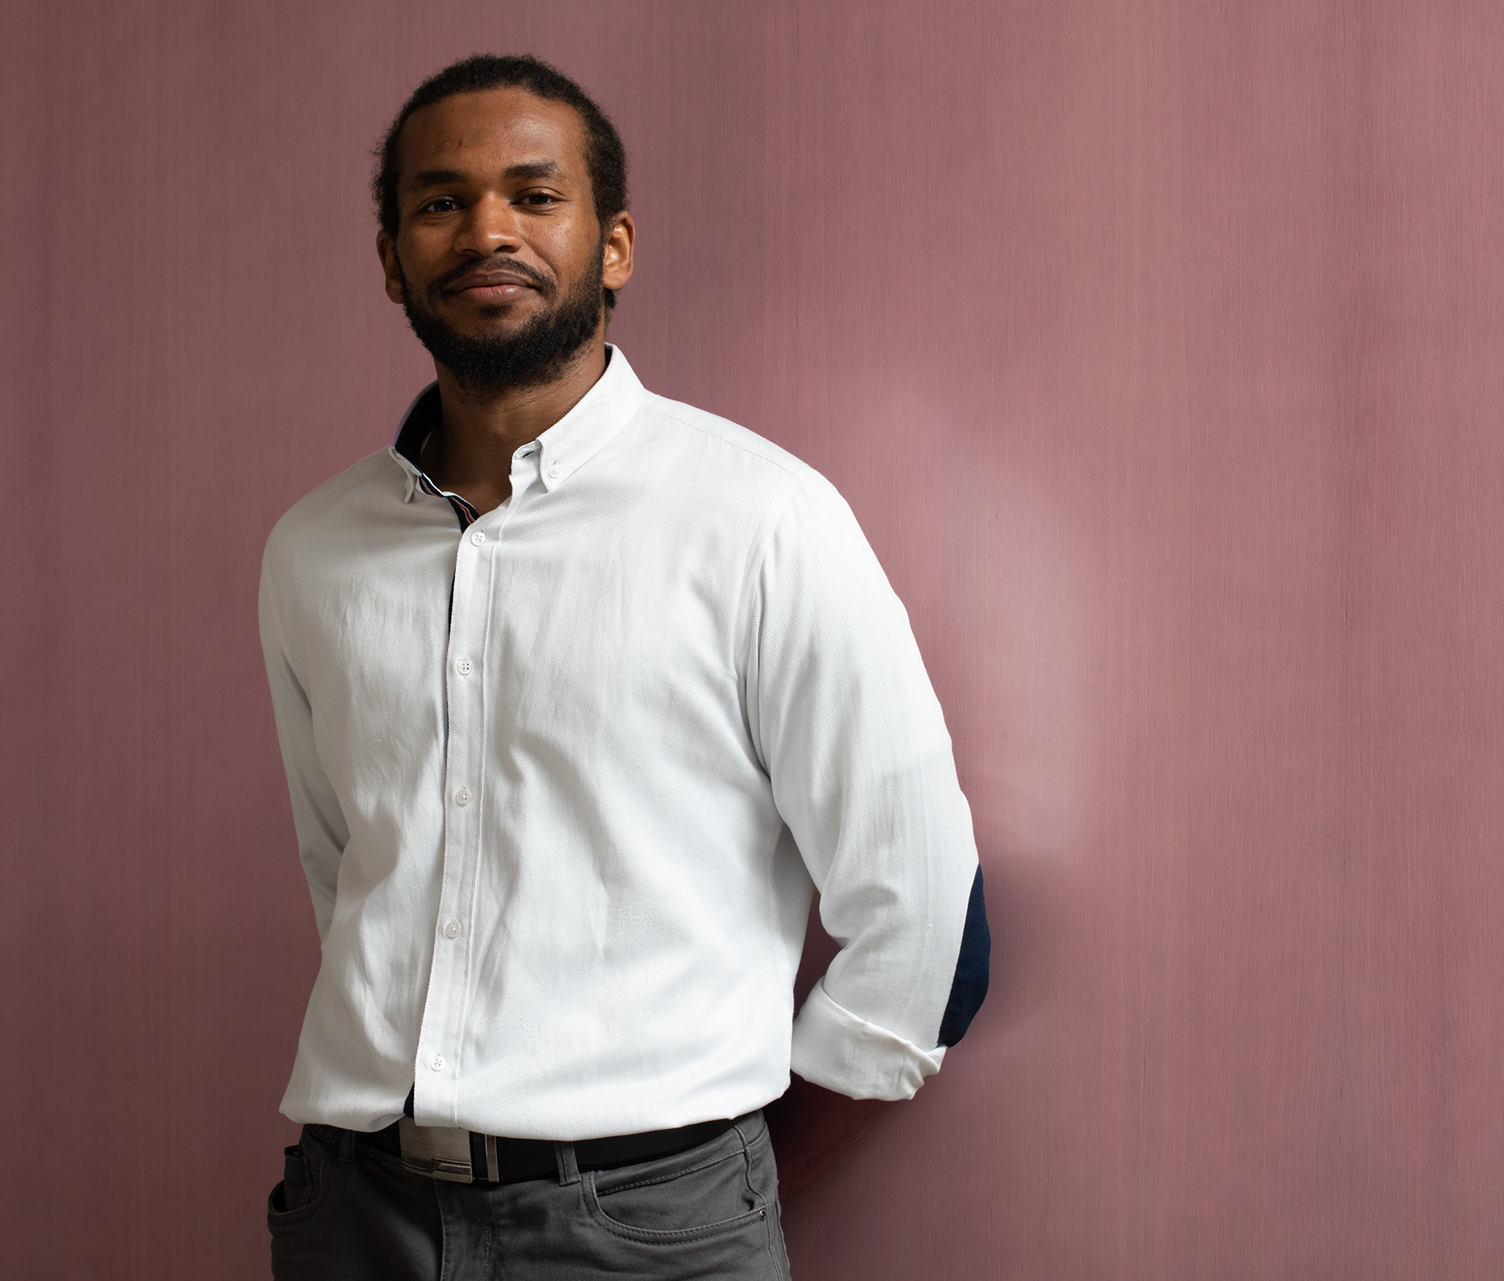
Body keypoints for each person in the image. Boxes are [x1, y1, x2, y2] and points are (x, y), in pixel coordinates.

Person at [257, 53, 989, 1281]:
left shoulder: (761, 521)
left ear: (615, 247)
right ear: (391, 258)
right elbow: (350, 884)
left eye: (534, 195)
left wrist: (717, 1185)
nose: (487, 229)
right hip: (351, 1217)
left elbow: (931, 926)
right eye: (440, 202)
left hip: (655, 1228)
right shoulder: (311, 550)